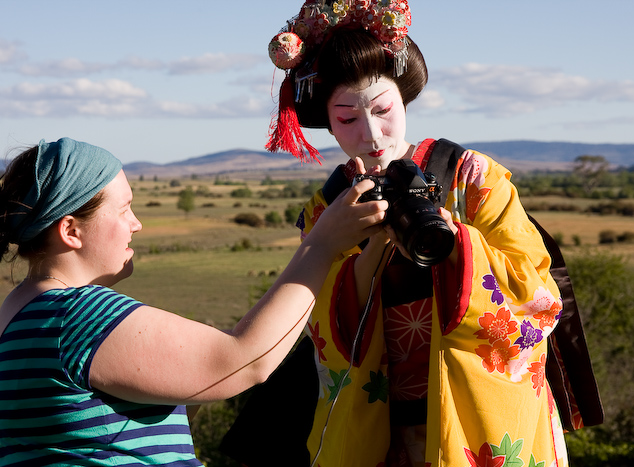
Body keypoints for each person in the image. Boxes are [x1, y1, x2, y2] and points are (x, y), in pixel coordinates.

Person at [224, 1, 572, 466]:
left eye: (384, 109)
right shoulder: (329, 208)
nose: (372, 134)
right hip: (378, 424)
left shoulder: (472, 179)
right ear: (328, 122)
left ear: (403, 98)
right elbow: (321, 327)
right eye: (347, 118)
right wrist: (369, 252)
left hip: (476, 419)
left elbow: (539, 297)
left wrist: (458, 243)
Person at [0, 137, 388, 466]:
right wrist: (323, 243)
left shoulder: (19, 312)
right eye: (123, 210)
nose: (136, 224)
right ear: (71, 231)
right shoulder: (74, 317)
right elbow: (246, 362)